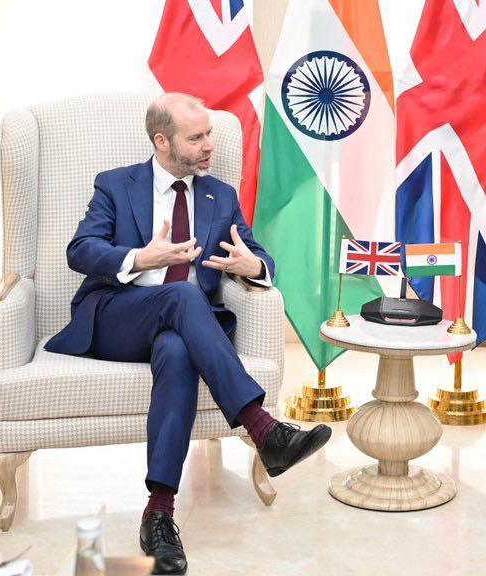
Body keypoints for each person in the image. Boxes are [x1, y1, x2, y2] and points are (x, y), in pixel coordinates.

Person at [46, 93, 331, 575]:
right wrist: (141, 258)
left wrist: (253, 265)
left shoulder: (220, 194)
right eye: (195, 137)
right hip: (118, 316)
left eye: (210, 135)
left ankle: (159, 515)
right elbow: (81, 249)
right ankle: (262, 427)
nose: (208, 146)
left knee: (178, 350)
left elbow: (260, 255)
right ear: (162, 142)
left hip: (180, 329)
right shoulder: (117, 185)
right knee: (181, 297)